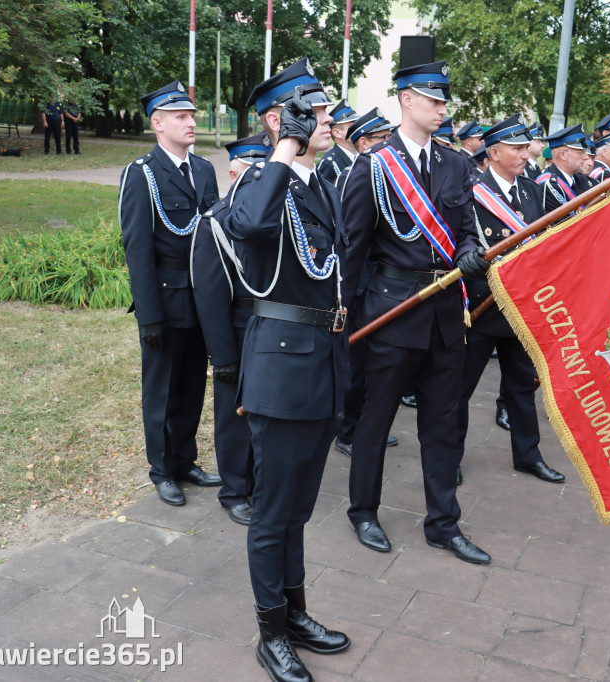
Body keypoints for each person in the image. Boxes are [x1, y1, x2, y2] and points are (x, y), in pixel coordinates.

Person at [225, 57, 351, 682]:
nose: (329, 116)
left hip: (323, 364)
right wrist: (285, 145)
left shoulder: (319, 181)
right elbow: (247, 224)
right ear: (280, 119)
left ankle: (295, 612)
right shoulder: (261, 178)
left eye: (325, 107)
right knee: (273, 512)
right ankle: (269, 631)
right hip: (281, 371)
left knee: (300, 507)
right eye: (314, 108)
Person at [341, 60, 492, 565]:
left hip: (447, 314)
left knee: (443, 423)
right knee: (375, 420)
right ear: (406, 99)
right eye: (434, 99)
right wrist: (348, 316)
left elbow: (466, 223)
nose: (443, 109)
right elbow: (353, 250)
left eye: (445, 100)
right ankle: (363, 511)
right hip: (393, 310)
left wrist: (470, 250)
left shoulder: (456, 164)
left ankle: (443, 524)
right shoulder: (373, 166)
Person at [118, 81, 222, 507]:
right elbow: (137, 249)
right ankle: (161, 469)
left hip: (202, 299)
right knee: (161, 388)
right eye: (181, 116)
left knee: (193, 385)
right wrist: (149, 315)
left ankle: (184, 460)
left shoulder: (203, 170)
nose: (192, 122)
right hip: (165, 297)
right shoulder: (141, 173)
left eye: (192, 115)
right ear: (158, 124)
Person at [457, 114, 565, 485]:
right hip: (482, 309)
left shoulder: (531, 190)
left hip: (520, 309)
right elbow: (465, 247)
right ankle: (449, 456)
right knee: (459, 390)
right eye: (517, 148)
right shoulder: (471, 193)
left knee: (521, 386)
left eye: (525, 147)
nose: (525, 154)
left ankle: (528, 455)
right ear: (495, 152)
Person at [189, 133, 270, 527]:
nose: (257, 178)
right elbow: (210, 297)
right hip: (237, 332)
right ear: (233, 172)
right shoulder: (216, 222)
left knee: (268, 413)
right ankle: (235, 490)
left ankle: (260, 483)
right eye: (249, 170)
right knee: (234, 416)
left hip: (273, 329)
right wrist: (221, 356)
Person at [334, 106, 399, 457]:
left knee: (370, 362)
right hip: (358, 284)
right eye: (381, 139)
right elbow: (352, 240)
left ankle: (360, 424)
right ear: (362, 143)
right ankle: (347, 431)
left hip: (375, 281)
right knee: (356, 362)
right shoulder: (354, 175)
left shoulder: (381, 172)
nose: (388, 143)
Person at [537, 124, 594, 216]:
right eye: (581, 152)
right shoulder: (549, 186)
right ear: (563, 155)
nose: (586, 157)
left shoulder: (581, 180)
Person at [316, 99, 359, 184]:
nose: (359, 129)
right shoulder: (329, 165)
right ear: (337, 133)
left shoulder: (361, 156)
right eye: (353, 126)